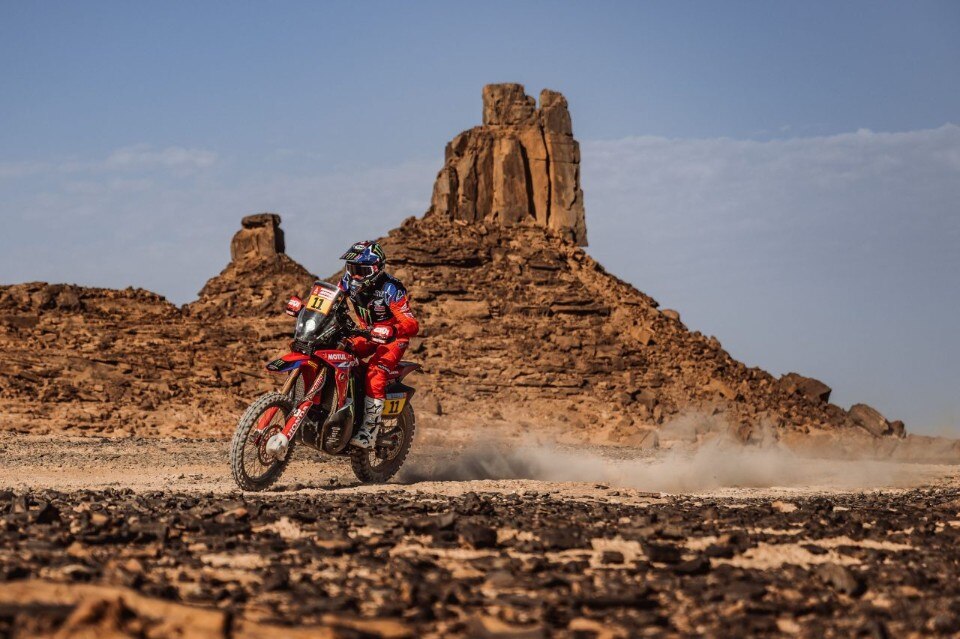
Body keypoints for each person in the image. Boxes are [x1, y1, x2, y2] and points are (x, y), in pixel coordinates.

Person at [337, 240, 419, 449]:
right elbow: (330, 300)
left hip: (392, 338)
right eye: (352, 268)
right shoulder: (346, 282)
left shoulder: (391, 289)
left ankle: (369, 430)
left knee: (375, 373)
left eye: (360, 270)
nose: (354, 275)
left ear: (375, 269)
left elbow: (411, 324)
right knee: (337, 351)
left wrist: (393, 330)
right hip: (366, 332)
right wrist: (307, 307)